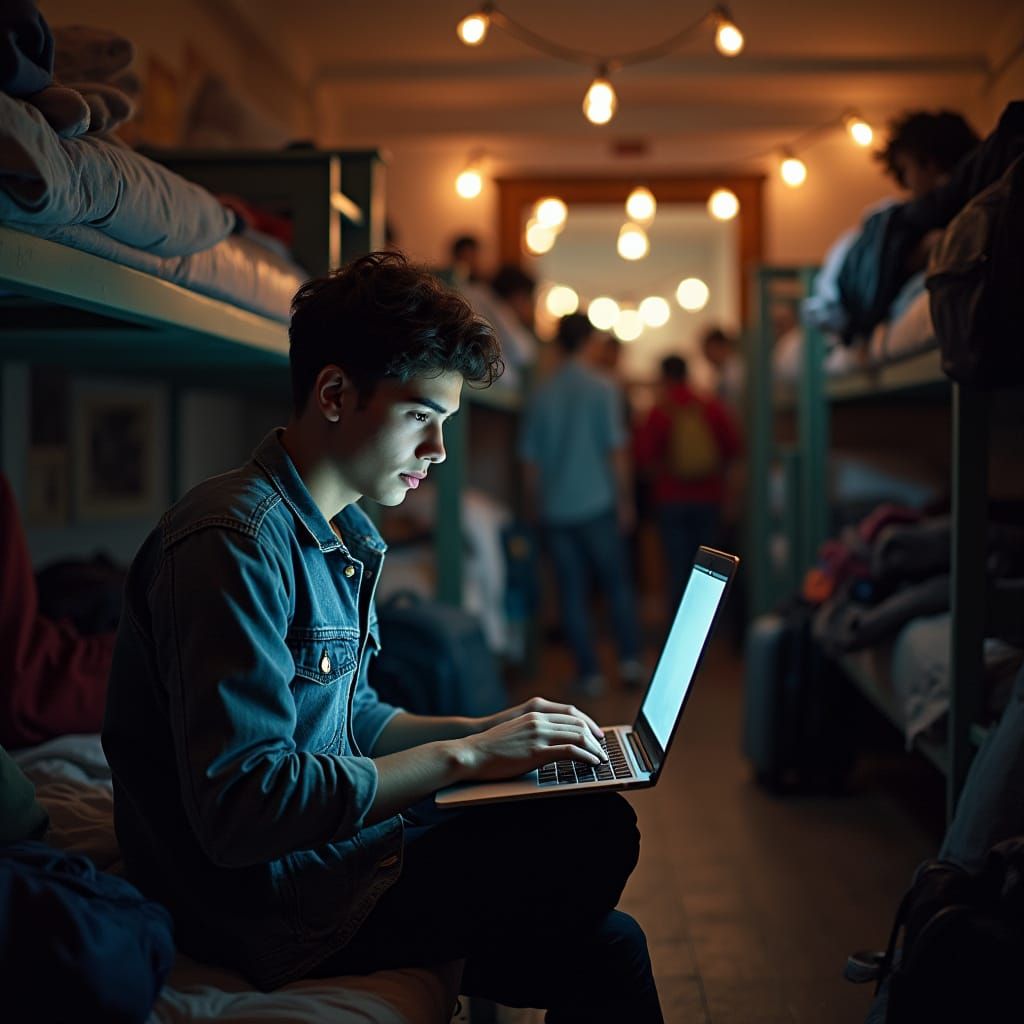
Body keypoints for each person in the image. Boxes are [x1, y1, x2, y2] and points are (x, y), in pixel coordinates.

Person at [101, 252, 662, 1022]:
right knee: (593, 834)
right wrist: (467, 759)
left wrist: (491, 730)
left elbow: (352, 718)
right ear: (335, 394)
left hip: (329, 859)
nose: (438, 452)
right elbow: (244, 812)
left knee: (610, 940)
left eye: (445, 425)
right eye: (421, 417)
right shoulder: (232, 541)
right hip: (266, 904)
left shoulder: (346, 534)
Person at [519, 313, 645, 695]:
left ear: (558, 344)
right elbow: (616, 451)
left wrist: (533, 505)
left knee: (571, 594)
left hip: (556, 507)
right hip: (598, 503)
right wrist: (626, 501)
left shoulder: (541, 393)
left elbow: (530, 461)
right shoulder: (604, 387)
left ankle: (589, 674)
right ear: (589, 341)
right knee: (616, 585)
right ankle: (629, 663)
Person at [635, 354, 742, 618]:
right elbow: (734, 447)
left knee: (677, 566)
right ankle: (710, 621)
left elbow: (644, 456)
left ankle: (681, 622)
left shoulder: (659, 411)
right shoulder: (709, 405)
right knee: (709, 568)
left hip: (671, 498)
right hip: (709, 496)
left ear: (664, 377)